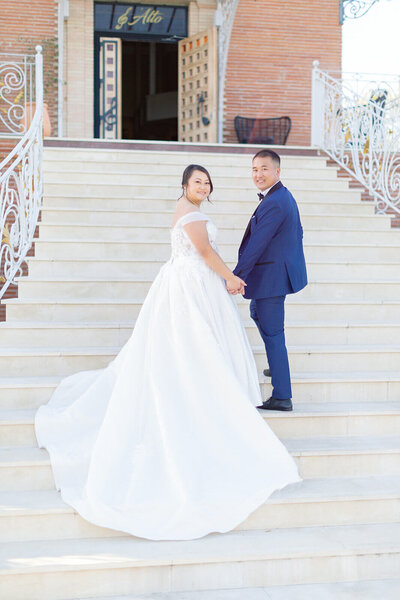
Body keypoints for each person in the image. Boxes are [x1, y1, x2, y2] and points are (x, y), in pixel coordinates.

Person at [34, 164, 301, 541]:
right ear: (184, 185)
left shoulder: (192, 209)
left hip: (195, 281)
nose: (203, 186)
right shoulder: (189, 213)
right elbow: (204, 250)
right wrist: (230, 276)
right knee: (193, 342)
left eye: (207, 182)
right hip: (192, 283)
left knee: (200, 343)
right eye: (197, 181)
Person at [231, 150, 308, 412]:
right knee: (257, 313)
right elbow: (296, 232)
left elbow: (257, 243)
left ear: (277, 171)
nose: (258, 174)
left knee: (274, 334)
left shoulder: (275, 201)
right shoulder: (281, 196)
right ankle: (277, 365)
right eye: (254, 169)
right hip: (273, 274)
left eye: (264, 169)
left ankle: (282, 395)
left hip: (272, 277)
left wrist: (237, 275)